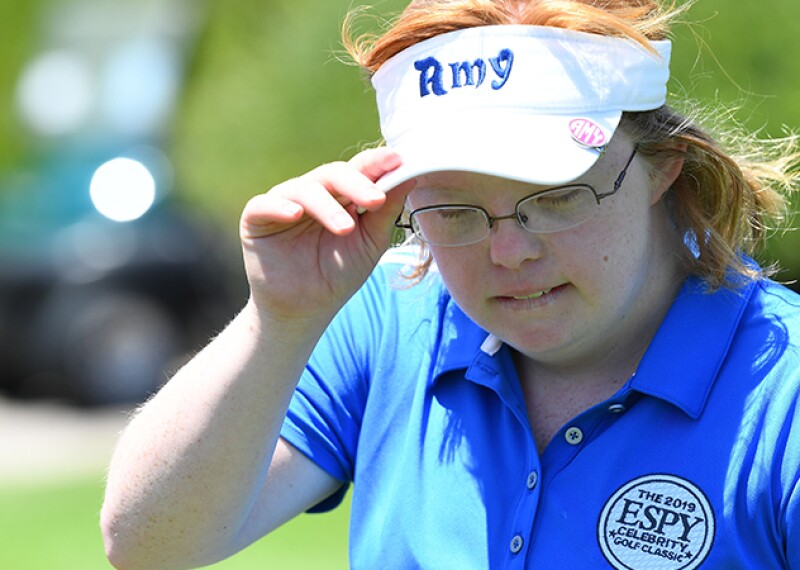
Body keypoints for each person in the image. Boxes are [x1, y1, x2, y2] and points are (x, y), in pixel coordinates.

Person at [101, 0, 800, 568]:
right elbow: (149, 546)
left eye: (555, 197)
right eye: (453, 210)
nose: (509, 250)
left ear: (662, 165)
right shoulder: (390, 312)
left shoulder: (783, 388)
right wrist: (277, 320)